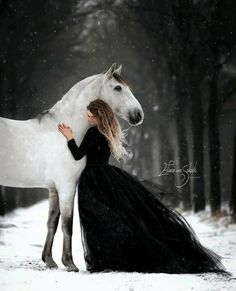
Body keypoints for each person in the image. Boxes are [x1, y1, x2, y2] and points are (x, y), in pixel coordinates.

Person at [57, 99, 231, 276]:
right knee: (113, 218)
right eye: (87, 116)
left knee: (95, 220)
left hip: (93, 181)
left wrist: (69, 137)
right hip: (107, 177)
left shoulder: (93, 132)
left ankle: (109, 258)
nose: (88, 119)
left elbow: (78, 155)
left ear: (98, 115)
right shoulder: (108, 131)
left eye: (90, 116)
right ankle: (113, 256)